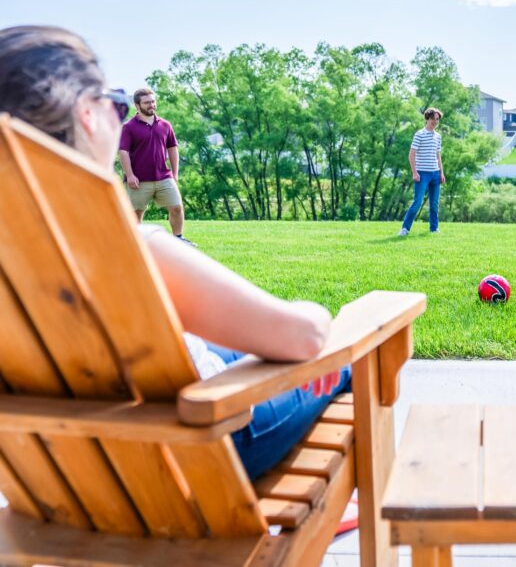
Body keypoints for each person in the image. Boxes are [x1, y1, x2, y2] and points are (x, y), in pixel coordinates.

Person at [0, 25, 349, 480]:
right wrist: (318, 314)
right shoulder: (131, 250)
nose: (120, 115)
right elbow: (303, 337)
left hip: (63, 475)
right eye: (116, 103)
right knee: (346, 354)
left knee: (229, 344)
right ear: (87, 115)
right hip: (203, 451)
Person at [118, 87, 195, 245]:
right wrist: (130, 175)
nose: (151, 105)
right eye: (147, 102)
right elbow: (123, 152)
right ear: (137, 105)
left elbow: (172, 148)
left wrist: (175, 173)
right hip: (139, 180)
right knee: (136, 213)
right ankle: (135, 244)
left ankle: (179, 240)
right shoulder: (129, 127)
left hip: (164, 177)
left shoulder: (165, 125)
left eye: (153, 101)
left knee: (177, 207)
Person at [398, 107, 445, 236]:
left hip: (435, 174)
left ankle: (434, 229)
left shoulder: (438, 137)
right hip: (422, 174)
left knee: (434, 204)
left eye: (437, 119)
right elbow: (411, 155)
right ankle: (405, 229)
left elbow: (438, 156)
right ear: (427, 119)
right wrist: (415, 172)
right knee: (417, 202)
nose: (435, 122)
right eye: (433, 119)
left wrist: (441, 173)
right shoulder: (419, 134)